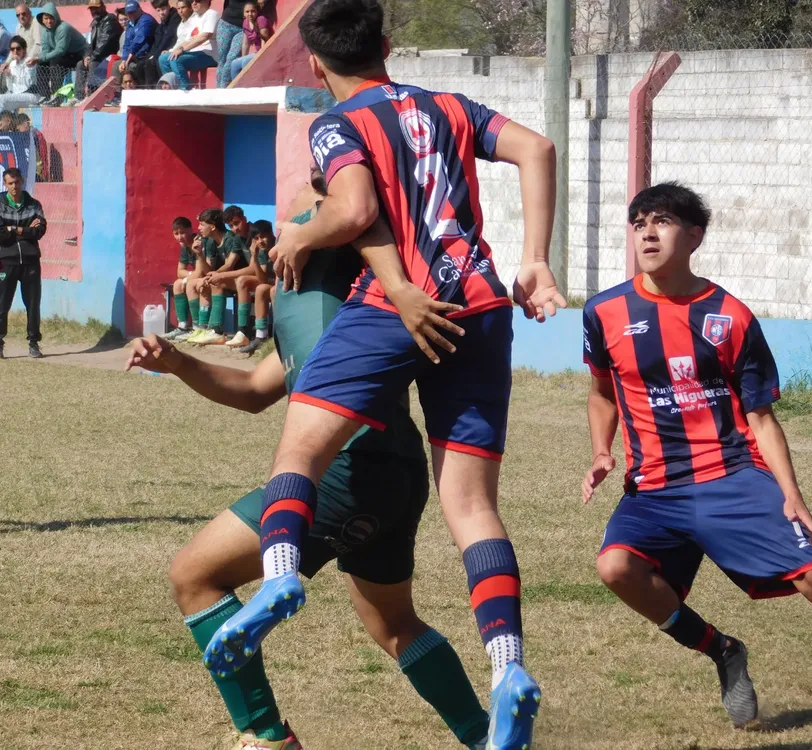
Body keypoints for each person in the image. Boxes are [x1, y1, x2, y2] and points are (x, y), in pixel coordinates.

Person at [206, 2, 565, 748]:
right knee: (470, 507)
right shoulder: (449, 105)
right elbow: (537, 147)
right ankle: (508, 666)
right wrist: (534, 258)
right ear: (389, 46)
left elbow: (355, 208)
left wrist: (302, 233)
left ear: (313, 64)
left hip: (393, 308)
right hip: (481, 304)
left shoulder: (336, 125)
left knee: (299, 453)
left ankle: (278, 578)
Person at [126, 177, 492, 750]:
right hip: (387, 469)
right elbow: (255, 389)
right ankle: (487, 738)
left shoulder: (351, 267)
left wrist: (327, 214)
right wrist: (177, 362)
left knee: (195, 576)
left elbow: (362, 211)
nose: (291, 212)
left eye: (307, 202)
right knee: (392, 624)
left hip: (349, 466)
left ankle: (267, 735)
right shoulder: (294, 295)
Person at [581, 182, 812, 728]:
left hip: (731, 476)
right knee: (615, 567)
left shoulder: (730, 316)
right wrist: (602, 450)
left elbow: (761, 416)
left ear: (694, 236)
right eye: (638, 221)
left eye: (662, 221)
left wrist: (792, 495)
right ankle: (722, 651)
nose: (647, 230)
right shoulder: (604, 311)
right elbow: (601, 391)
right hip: (655, 489)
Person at [0, 167, 46, 360]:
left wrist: (12, 228)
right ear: (5, 185)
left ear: (22, 182)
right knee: (3, 304)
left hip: (30, 262)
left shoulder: (34, 205)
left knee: (33, 304)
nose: (14, 186)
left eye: (17, 182)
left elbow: (39, 231)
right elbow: (0, 235)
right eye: (10, 183)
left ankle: (34, 343)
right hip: (6, 262)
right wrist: (24, 229)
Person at [186, 207, 251, 345]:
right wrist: (200, 255)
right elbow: (207, 268)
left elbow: (229, 265)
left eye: (202, 224)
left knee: (214, 282)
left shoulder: (231, 239)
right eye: (231, 225)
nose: (198, 228)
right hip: (230, 278)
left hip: (240, 279)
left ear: (213, 226)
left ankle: (216, 330)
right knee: (195, 283)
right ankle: (201, 328)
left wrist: (213, 276)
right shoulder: (209, 242)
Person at [226, 218, 275, 349]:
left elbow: (266, 280)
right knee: (244, 281)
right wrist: (254, 257)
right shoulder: (261, 250)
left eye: (263, 237)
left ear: (271, 233)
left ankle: (271, 334)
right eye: (257, 238)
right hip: (271, 283)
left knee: (261, 289)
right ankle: (245, 331)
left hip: (285, 284)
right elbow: (262, 278)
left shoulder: (277, 246)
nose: (260, 241)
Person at [158, 0, 219, 90]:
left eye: (197, 1)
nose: (194, 3)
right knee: (163, 59)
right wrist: (172, 50)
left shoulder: (211, 14)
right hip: (194, 53)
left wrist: (182, 49)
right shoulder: (196, 18)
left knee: (176, 60)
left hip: (209, 54)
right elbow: (188, 40)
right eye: (192, 1)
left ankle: (185, 89)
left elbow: (205, 36)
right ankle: (172, 87)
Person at [161, 216, 204, 341]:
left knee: (187, 284)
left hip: (209, 276)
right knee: (177, 283)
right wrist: (189, 276)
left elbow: (201, 272)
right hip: (196, 277)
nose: (180, 237)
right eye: (176, 234)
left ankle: (197, 328)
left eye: (183, 232)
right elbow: (179, 272)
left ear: (191, 230)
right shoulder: (185, 246)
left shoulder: (198, 242)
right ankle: (183, 327)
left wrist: (188, 279)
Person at [0, 36, 41, 125]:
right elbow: (11, 88)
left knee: (1, 99)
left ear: (24, 49)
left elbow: (28, 83)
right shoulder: (12, 63)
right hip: (15, 95)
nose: (15, 51)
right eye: (12, 49)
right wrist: (9, 76)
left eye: (18, 48)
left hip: (30, 95)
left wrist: (29, 68)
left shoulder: (29, 61)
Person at [32, 3, 88, 98]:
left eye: (51, 18)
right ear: (42, 20)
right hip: (65, 56)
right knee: (42, 64)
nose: (49, 21)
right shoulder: (45, 31)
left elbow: (60, 50)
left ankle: (56, 95)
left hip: (80, 55)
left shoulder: (63, 28)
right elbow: (45, 50)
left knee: (55, 60)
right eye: (46, 18)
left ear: (56, 17)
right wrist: (40, 59)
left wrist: (39, 58)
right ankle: (44, 96)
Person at [75, 0, 122, 98]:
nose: (94, 11)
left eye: (96, 8)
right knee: (80, 64)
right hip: (99, 55)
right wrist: (87, 56)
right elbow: (91, 44)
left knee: (93, 64)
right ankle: (78, 97)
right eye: (92, 9)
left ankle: (93, 96)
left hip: (110, 56)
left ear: (103, 7)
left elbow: (104, 44)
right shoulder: (95, 23)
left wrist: (91, 57)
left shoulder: (110, 20)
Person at [118, 0, 158, 86]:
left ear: (139, 9)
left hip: (149, 53)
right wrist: (124, 60)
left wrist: (130, 55)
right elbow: (127, 43)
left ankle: (143, 90)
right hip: (137, 56)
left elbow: (140, 38)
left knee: (138, 66)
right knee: (116, 66)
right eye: (129, 13)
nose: (131, 15)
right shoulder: (130, 24)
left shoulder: (146, 20)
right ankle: (118, 94)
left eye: (133, 12)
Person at [228, 0, 269, 82]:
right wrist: (243, 57)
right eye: (247, 12)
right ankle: (237, 87)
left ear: (257, 12)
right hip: (256, 53)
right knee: (234, 63)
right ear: (243, 13)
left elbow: (265, 39)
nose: (250, 14)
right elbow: (245, 44)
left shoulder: (261, 20)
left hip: (265, 51)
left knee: (246, 62)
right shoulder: (245, 23)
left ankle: (247, 84)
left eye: (253, 11)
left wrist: (262, 56)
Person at [147, 0, 179, 81]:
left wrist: (156, 55)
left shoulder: (175, 17)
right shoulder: (162, 23)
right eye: (158, 10)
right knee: (145, 64)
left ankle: (165, 86)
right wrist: (152, 55)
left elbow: (169, 37)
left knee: (158, 60)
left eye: (163, 9)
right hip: (163, 50)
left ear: (168, 7)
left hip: (173, 48)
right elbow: (157, 41)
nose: (161, 12)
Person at [3, 5, 43, 69]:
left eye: (23, 14)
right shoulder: (18, 27)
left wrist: (27, 60)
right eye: (18, 15)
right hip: (24, 61)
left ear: (30, 13)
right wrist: (7, 62)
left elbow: (38, 44)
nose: (21, 17)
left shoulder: (36, 22)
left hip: (35, 60)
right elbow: (14, 46)